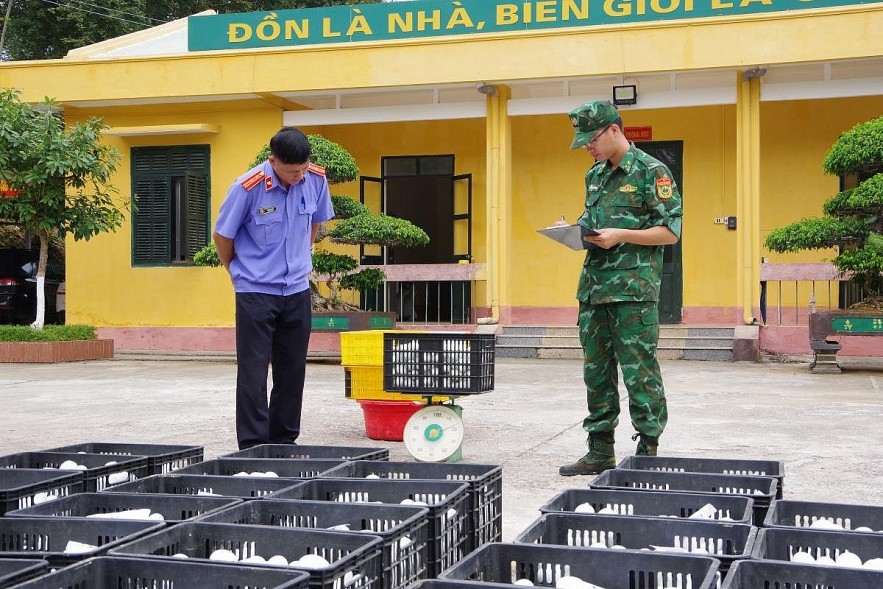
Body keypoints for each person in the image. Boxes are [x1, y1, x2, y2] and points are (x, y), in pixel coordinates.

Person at [558, 100, 683, 476]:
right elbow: (591, 220)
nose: (587, 147)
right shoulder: (594, 175)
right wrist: (573, 230)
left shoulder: (652, 172)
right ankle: (599, 450)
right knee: (596, 372)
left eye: (591, 139)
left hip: (632, 291)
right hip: (594, 288)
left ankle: (647, 449)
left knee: (638, 371)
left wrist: (621, 235)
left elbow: (671, 233)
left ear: (614, 129)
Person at [213, 127, 334, 450]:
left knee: (292, 369)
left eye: (303, 169)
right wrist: (237, 272)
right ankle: (253, 444)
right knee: (253, 371)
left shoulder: (317, 180)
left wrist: (302, 259)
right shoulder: (247, 187)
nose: (299, 176)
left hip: (295, 290)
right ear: (273, 161)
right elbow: (222, 235)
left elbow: (315, 222)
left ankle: (283, 440)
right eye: (292, 171)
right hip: (255, 291)